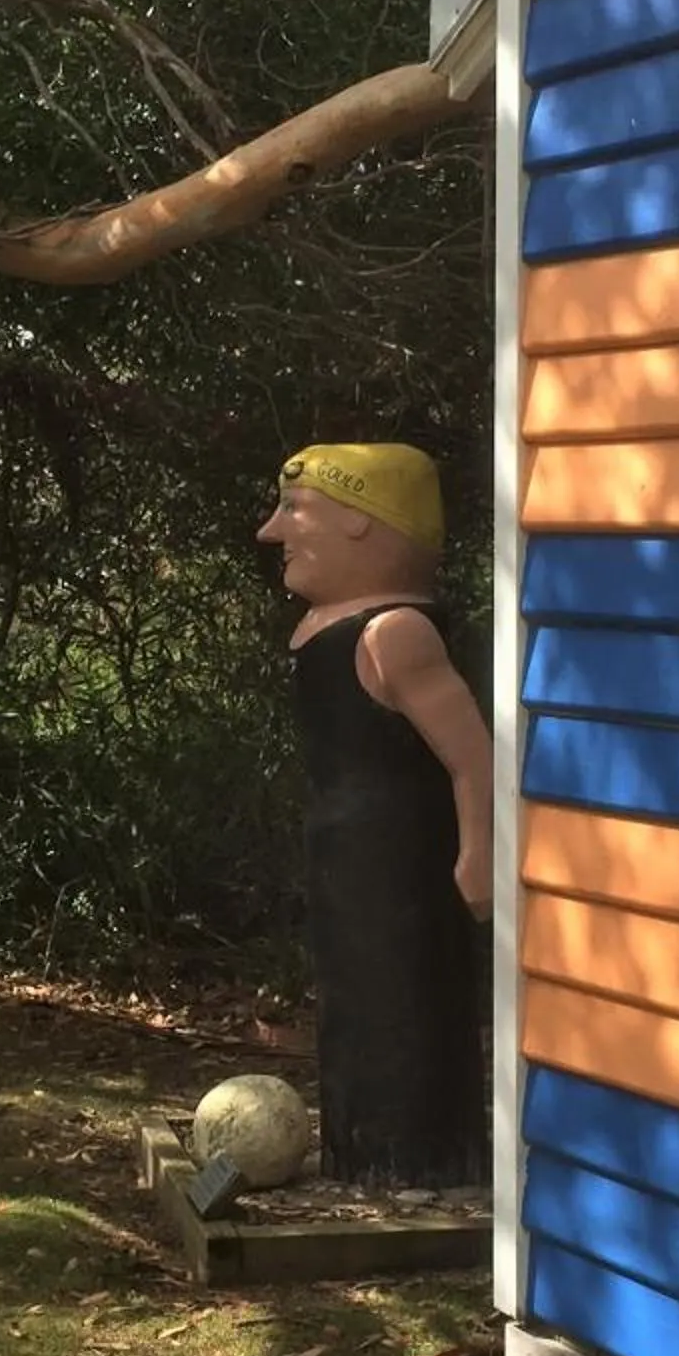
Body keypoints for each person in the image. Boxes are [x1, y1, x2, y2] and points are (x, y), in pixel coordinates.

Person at [256, 443, 490, 1189]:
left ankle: (419, 1157)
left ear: (361, 524)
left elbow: (471, 758)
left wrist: (477, 851)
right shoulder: (332, 628)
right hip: (346, 859)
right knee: (353, 1005)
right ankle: (359, 1153)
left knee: (406, 1005)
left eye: (295, 510)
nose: (273, 531)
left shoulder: (395, 634)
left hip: (403, 868)